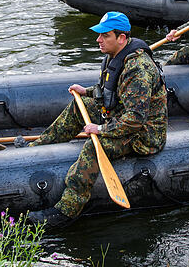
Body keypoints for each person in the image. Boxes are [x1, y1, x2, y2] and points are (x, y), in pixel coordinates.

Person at [27, 12, 167, 228]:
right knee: (80, 105)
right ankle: (39, 145)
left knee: (94, 146)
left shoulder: (138, 68)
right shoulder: (116, 55)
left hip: (143, 134)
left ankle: (66, 211)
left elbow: (135, 119)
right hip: (123, 117)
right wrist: (88, 92)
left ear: (121, 38)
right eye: (99, 35)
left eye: (105, 35)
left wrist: (101, 129)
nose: (98, 40)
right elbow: (113, 91)